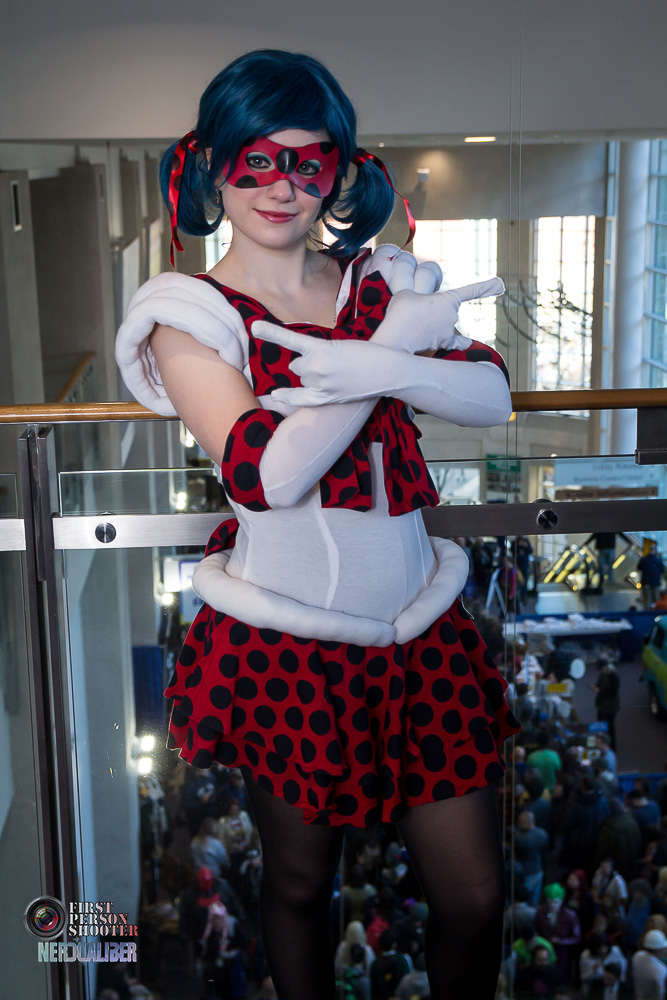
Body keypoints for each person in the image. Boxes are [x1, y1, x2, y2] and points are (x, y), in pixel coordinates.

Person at [116, 49, 519, 1000]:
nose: (281, 186)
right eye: (257, 158)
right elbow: (266, 475)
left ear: (338, 172)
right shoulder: (187, 313)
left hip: (421, 634)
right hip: (287, 645)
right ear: (214, 164)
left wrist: (385, 357)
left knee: (473, 897)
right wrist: (390, 353)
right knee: (299, 886)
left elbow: (491, 394)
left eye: (308, 162)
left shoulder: (376, 280)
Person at [591, 660, 621, 752]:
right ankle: (602, 744)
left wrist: (599, 691)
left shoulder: (614, 677)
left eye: (602, 669)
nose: (601, 671)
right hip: (602, 705)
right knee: (601, 724)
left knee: (609, 727)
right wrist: (595, 687)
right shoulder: (603, 675)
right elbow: (599, 684)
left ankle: (611, 747)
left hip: (610, 706)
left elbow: (612, 692)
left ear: (606, 667)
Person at [630, 928, 667, 999]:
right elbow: (661, 994)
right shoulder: (660, 971)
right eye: (664, 947)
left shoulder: (637, 956)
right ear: (658, 949)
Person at [637, 543, 666, 612]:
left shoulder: (644, 559)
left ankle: (647, 615)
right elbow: (662, 570)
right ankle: (655, 615)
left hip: (646, 583)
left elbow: (639, 568)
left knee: (647, 600)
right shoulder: (658, 560)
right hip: (656, 583)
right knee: (656, 600)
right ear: (655, 551)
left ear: (649, 550)